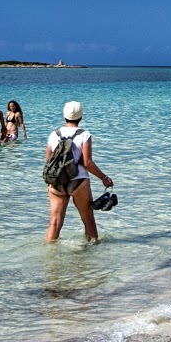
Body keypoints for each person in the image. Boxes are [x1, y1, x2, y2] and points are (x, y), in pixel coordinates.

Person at [46, 100, 114, 243]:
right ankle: (92, 256)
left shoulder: (54, 134)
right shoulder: (84, 135)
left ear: (65, 115)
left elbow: (48, 161)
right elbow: (87, 163)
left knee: (55, 223)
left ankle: (50, 260)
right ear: (80, 116)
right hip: (78, 181)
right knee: (88, 219)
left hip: (56, 182)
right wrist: (104, 178)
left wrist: (49, 184)